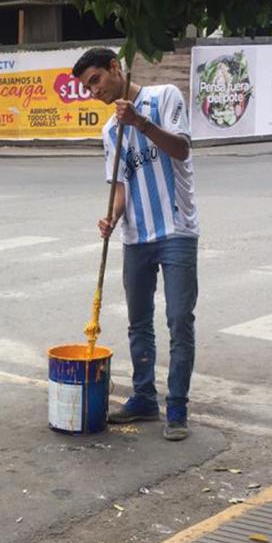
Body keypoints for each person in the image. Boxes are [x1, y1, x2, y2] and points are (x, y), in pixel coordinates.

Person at [72, 47, 200, 441]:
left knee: (179, 320)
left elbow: (181, 148)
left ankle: (176, 408)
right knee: (138, 323)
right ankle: (144, 396)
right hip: (136, 237)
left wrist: (141, 122)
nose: (93, 91)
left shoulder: (164, 98)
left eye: (95, 80)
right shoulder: (110, 130)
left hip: (176, 230)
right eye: (86, 86)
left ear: (115, 68)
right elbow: (120, 185)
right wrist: (112, 215)